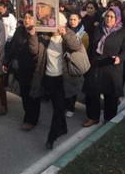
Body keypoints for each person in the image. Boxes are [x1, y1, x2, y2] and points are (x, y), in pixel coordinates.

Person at [28, 13, 83, 149]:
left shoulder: (67, 35)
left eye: (54, 22)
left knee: (58, 109)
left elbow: (76, 46)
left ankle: (51, 138)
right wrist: (33, 36)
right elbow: (34, 50)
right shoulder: (45, 36)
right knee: (56, 106)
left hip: (62, 79)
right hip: (48, 77)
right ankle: (63, 128)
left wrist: (65, 34)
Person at [82, 6, 125, 126]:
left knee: (111, 95)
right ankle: (93, 117)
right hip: (96, 65)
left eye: (112, 17)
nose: (109, 18)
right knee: (92, 92)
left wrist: (120, 58)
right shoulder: (98, 29)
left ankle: (109, 118)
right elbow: (92, 46)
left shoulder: (122, 32)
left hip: (112, 67)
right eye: (107, 16)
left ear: (117, 18)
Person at [2, 11, 37, 130]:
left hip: (35, 69)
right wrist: (6, 62)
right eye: (25, 17)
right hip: (21, 69)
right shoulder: (19, 31)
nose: (27, 20)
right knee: (25, 95)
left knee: (34, 95)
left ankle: (32, 119)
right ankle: (28, 116)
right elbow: (12, 48)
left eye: (30, 17)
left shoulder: (40, 32)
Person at [65, 13, 89, 117]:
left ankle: (71, 107)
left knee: (73, 86)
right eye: (70, 19)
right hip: (64, 62)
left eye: (75, 19)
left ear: (79, 20)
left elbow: (82, 49)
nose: (72, 21)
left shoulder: (83, 34)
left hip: (75, 62)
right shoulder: (64, 30)